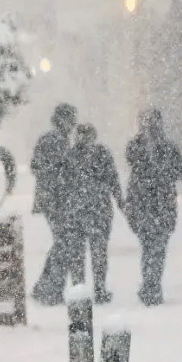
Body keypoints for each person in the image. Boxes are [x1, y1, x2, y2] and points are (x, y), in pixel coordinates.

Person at [124, 109, 182, 306]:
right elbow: (134, 163)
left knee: (156, 249)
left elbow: (180, 170)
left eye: (153, 122)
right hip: (144, 206)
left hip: (161, 206)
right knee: (150, 247)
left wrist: (163, 170)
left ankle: (152, 286)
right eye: (147, 122)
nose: (150, 126)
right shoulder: (136, 146)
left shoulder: (167, 147)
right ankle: (151, 286)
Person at [64, 124, 123, 303]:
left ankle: (80, 290)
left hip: (78, 211)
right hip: (98, 211)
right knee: (97, 253)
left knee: (78, 254)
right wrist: (121, 201)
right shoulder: (101, 154)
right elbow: (113, 179)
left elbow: (61, 185)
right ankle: (98, 290)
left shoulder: (70, 155)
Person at [30, 103, 81, 305]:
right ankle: (49, 289)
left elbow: (37, 165)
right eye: (70, 120)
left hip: (55, 199)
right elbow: (40, 167)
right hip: (56, 200)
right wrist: (60, 176)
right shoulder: (55, 140)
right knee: (65, 244)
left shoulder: (57, 139)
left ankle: (46, 287)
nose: (72, 124)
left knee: (63, 244)